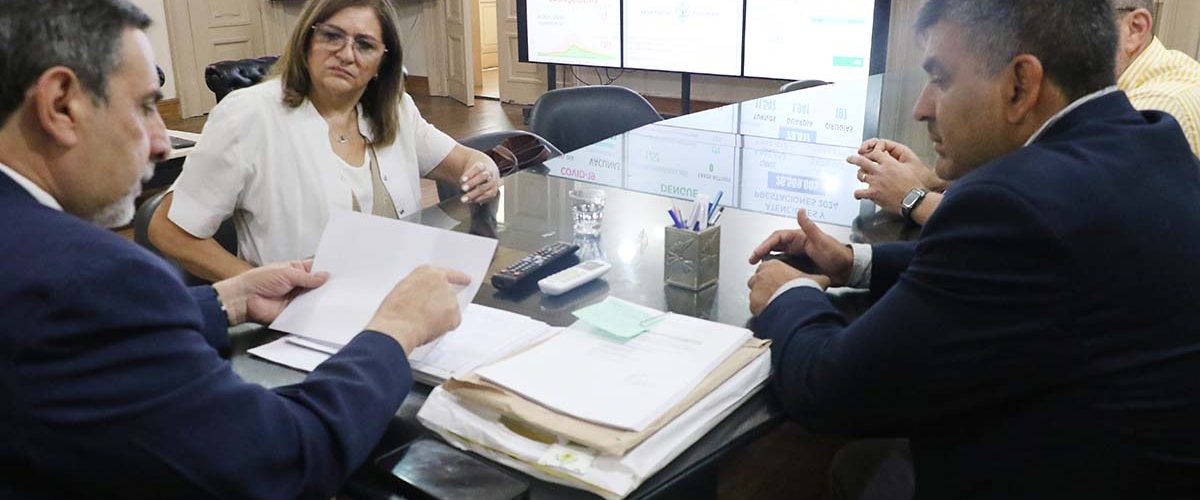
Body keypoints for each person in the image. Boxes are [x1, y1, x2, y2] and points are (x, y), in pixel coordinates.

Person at [0, 1, 470, 497]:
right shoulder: (93, 279)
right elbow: (279, 461)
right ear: (60, 104)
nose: (161, 143)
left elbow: (85, 334)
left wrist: (228, 299)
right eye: (145, 106)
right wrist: (397, 330)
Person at [746, 0, 1200, 498]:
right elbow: (1005, 270)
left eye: (940, 79)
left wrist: (788, 294)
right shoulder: (1150, 140)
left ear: (1020, 85)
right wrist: (854, 262)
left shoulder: (1014, 205)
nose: (921, 108)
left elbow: (831, 392)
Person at [148, 0, 502, 282]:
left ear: (382, 62)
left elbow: (466, 162)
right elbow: (168, 229)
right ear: (307, 41)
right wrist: (255, 285)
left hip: (397, 299)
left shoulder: (394, 108)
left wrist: (483, 168)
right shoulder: (248, 114)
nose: (346, 54)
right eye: (332, 36)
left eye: (364, 45)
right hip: (294, 320)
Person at [852, 0, 1200, 226]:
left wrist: (914, 198)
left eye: (1083, 23)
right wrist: (933, 180)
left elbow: (1039, 217)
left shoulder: (1153, 110)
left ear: (1135, 29)